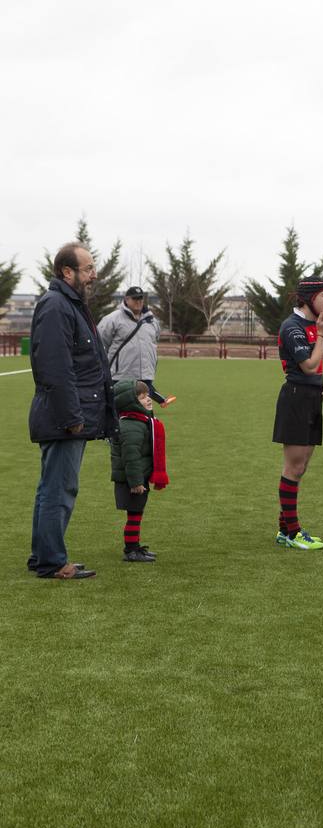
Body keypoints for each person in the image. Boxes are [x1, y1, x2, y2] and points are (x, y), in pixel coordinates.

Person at [28, 242, 115, 580]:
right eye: (88, 268)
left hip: (66, 413)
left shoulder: (69, 304)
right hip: (64, 417)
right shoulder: (57, 306)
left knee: (52, 487)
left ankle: (43, 556)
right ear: (68, 271)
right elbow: (55, 368)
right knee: (59, 489)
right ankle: (51, 561)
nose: (94, 274)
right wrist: (72, 417)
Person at [273, 277, 323, 550]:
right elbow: (309, 365)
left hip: (310, 398)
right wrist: (322, 335)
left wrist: (318, 386)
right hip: (296, 399)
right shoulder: (293, 327)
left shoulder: (311, 325)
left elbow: (313, 370)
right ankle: (293, 533)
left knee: (301, 467)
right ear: (308, 299)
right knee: (293, 467)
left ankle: (285, 530)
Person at [111, 380, 169, 562]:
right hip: (132, 479)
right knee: (134, 514)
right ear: (131, 402)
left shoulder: (140, 421)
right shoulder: (131, 425)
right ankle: (131, 550)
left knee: (137, 512)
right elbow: (130, 457)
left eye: (147, 395)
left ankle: (134, 547)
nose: (148, 399)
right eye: (142, 397)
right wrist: (135, 482)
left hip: (138, 475)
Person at [97, 285, 174, 406]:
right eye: (135, 299)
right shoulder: (112, 319)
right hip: (120, 374)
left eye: (140, 299)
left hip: (145, 373)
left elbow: (154, 341)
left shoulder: (152, 321)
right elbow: (99, 343)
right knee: (119, 410)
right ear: (127, 300)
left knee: (144, 411)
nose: (138, 302)